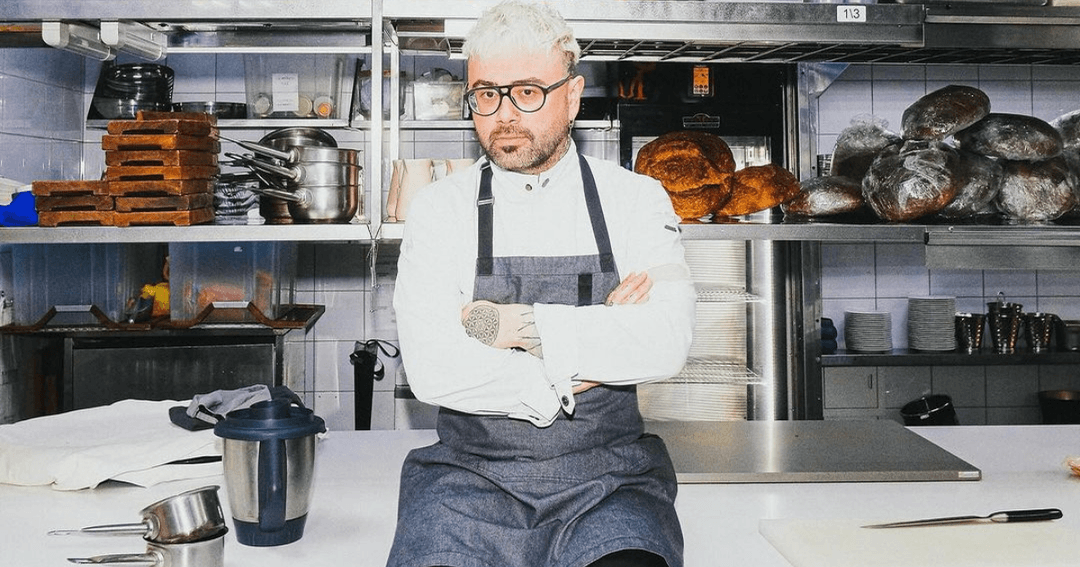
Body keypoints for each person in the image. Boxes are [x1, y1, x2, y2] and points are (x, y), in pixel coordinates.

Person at [387, 1, 696, 566]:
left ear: (572, 96)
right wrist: (575, 367)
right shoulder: (438, 211)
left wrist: (505, 325)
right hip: (466, 486)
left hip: (611, 484)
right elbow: (433, 370)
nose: (503, 114)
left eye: (527, 91)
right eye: (485, 93)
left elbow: (665, 342)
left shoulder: (636, 201)